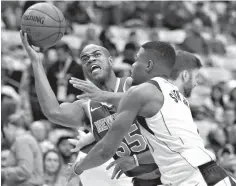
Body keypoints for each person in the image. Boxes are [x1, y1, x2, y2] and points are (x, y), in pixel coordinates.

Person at [70, 43, 236, 185]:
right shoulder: (171, 91)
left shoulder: (143, 93)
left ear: (148, 65)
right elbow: (127, 101)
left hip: (194, 177)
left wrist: (78, 168)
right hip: (204, 171)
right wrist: (93, 131)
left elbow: (105, 151)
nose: (132, 65)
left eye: (136, 60)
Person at [20, 31, 161, 186]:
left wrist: (104, 97)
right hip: (140, 181)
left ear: (111, 61)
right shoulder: (88, 108)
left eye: (96, 54)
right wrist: (36, 62)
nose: (91, 59)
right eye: (85, 59)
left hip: (172, 173)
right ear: (84, 71)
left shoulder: (131, 84)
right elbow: (52, 112)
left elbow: (153, 104)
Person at [1, 112, 44, 186]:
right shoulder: (26, 139)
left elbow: (25, 170)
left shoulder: (22, 140)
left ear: (8, 126)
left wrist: (2, 172)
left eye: (3, 130)